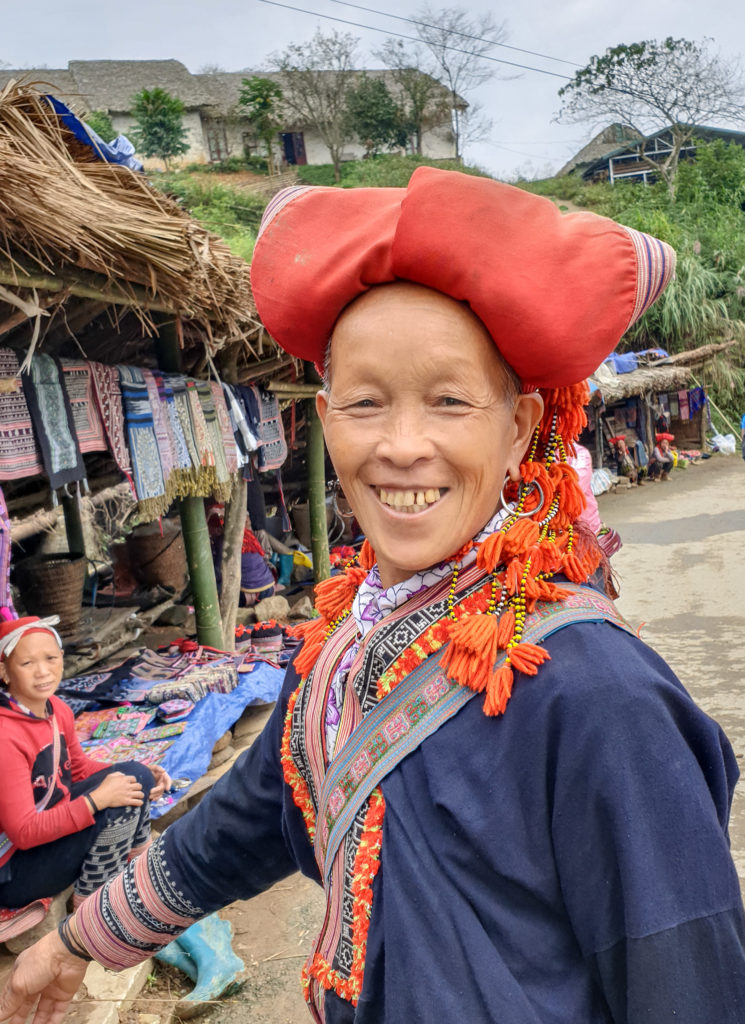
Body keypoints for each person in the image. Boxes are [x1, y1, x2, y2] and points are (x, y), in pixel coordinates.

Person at [3, 169, 745, 1024]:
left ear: (519, 429)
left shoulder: (597, 694)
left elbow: (687, 984)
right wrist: (75, 940)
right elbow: (257, 811)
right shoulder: (343, 644)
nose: (401, 446)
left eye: (448, 402)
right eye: (365, 403)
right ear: (323, 421)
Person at [0, 616, 170, 940]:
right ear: (4, 673)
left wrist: (139, 772)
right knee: (115, 800)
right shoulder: (5, 736)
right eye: (26, 663)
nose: (43, 671)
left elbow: (77, 768)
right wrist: (95, 801)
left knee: (134, 776)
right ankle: (95, 912)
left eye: (50, 658)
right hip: (14, 870)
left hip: (47, 831)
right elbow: (22, 832)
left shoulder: (56, 709)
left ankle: (134, 877)